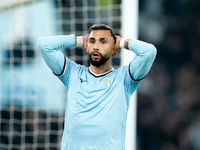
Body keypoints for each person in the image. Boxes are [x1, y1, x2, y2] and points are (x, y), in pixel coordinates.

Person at [37, 24, 157, 150]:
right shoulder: (72, 73)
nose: (96, 46)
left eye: (103, 42)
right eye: (92, 41)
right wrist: (79, 40)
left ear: (113, 48)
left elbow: (149, 52)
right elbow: (44, 45)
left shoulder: (124, 79)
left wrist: (122, 42)